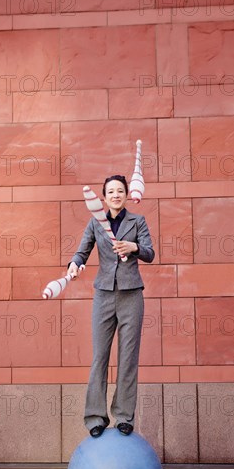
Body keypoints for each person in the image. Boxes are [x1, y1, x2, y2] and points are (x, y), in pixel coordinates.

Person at [67, 175, 155, 437]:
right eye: (111, 192)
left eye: (120, 190)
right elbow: (82, 252)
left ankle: (124, 416)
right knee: (99, 358)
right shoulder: (96, 222)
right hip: (103, 295)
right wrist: (74, 264)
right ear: (103, 197)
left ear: (127, 194)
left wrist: (134, 246)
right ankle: (95, 417)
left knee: (128, 359)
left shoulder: (137, 221)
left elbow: (150, 253)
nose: (116, 195)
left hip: (131, 296)